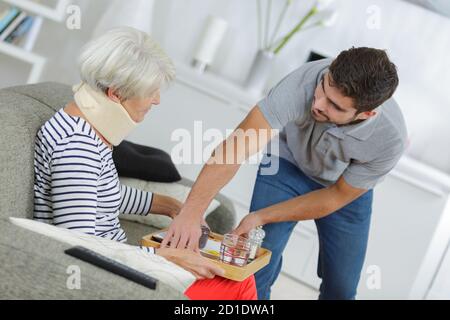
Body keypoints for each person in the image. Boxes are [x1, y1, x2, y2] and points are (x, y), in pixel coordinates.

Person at [161, 47, 408, 300]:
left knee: (341, 288)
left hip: (341, 187)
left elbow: (334, 197)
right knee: (256, 269)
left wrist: (260, 216)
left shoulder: (390, 139)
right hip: (288, 162)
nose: (318, 103)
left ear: (367, 114)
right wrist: (192, 211)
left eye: (334, 106)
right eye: (324, 86)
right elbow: (235, 149)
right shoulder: (300, 84)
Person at [33, 26, 257, 300]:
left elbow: (100, 194)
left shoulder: (87, 130)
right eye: (152, 91)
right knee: (237, 285)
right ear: (115, 93)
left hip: (125, 263)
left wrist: (170, 206)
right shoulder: (78, 147)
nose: (157, 100)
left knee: (232, 276)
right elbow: (82, 249)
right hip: (112, 278)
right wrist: (165, 257)